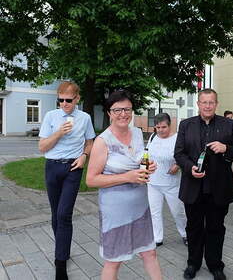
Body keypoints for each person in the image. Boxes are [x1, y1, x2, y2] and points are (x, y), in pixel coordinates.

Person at [86, 90, 162, 280]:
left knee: (150, 252)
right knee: (114, 261)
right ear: (109, 113)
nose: (123, 114)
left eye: (127, 109)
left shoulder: (137, 133)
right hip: (115, 211)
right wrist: (128, 177)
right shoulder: (102, 141)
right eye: (117, 109)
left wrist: (148, 165)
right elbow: (91, 179)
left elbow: (138, 161)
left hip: (140, 207)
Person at [174, 88, 233, 280]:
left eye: (211, 102)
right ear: (198, 104)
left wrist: (226, 148)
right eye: (204, 102)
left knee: (216, 228)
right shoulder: (186, 125)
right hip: (193, 187)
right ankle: (193, 263)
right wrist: (189, 168)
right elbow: (179, 153)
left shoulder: (229, 124)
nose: (208, 106)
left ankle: (215, 265)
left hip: (219, 188)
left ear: (216, 104)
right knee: (193, 228)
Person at [39, 81, 95, 280]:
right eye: (60, 100)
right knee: (56, 214)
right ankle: (63, 248)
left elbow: (90, 141)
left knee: (64, 214)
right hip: (52, 167)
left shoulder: (85, 118)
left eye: (68, 100)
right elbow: (42, 147)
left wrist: (84, 156)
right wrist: (59, 133)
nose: (64, 104)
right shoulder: (50, 117)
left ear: (77, 99)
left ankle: (60, 263)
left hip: (73, 168)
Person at [146, 113, 187, 247]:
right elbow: (147, 153)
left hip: (171, 183)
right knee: (155, 212)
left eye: (163, 127)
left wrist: (178, 165)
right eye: (158, 127)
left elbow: (185, 156)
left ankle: (185, 234)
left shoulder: (177, 139)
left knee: (178, 212)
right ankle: (157, 237)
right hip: (153, 182)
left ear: (170, 125)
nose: (160, 130)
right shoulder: (153, 137)